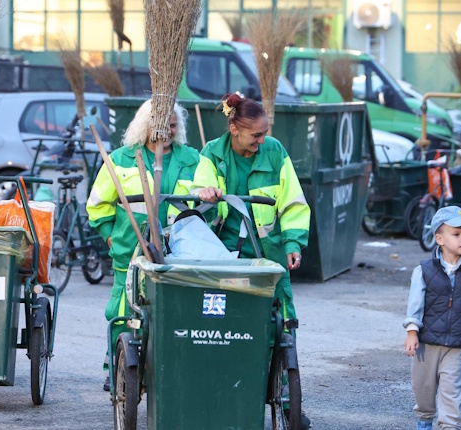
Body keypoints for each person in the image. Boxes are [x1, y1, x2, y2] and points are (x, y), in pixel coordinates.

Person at [192, 93, 312, 428]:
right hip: (226, 260)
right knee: (224, 328)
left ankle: (287, 400)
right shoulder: (213, 154)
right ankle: (221, 395)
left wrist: (293, 243)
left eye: (264, 134)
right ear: (233, 128)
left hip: (270, 259)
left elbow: (293, 203)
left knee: (282, 328)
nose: (261, 141)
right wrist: (205, 195)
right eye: (255, 135)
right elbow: (197, 200)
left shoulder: (275, 152)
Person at [87, 99, 200, 391]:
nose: (169, 130)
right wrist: (112, 235)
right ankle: (117, 368)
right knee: (122, 313)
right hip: (130, 252)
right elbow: (98, 205)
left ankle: (165, 371)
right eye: (164, 124)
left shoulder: (193, 160)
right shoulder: (121, 159)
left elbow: (204, 204)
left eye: (174, 125)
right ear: (145, 125)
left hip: (177, 254)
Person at [403, 206, 461, 430]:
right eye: (456, 234)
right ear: (439, 239)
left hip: (456, 342)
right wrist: (412, 331)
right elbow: (415, 303)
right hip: (426, 343)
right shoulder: (424, 270)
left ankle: (449, 425)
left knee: (451, 389)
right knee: (423, 388)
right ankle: (424, 421)